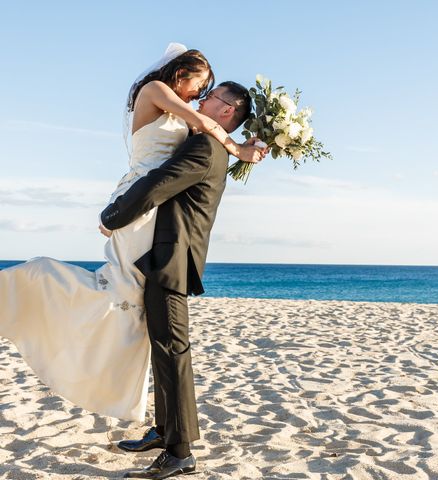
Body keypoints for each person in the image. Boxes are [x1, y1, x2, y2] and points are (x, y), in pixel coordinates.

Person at [0, 44, 264, 422]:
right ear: (180, 73)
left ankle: (133, 399)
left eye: (208, 91)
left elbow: (206, 145)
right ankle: (35, 281)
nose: (199, 95)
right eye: (200, 86)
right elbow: (206, 127)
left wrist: (248, 140)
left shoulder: (187, 117)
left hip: (154, 212)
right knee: (118, 292)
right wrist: (238, 147)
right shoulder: (157, 92)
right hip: (139, 199)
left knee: (130, 304)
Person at [100, 81, 255, 478]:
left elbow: (156, 186)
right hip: (164, 256)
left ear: (227, 112)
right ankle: (164, 430)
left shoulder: (205, 148)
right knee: (162, 348)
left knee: (173, 352)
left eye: (213, 97)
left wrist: (112, 216)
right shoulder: (211, 143)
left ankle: (181, 451)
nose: (203, 100)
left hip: (172, 259)